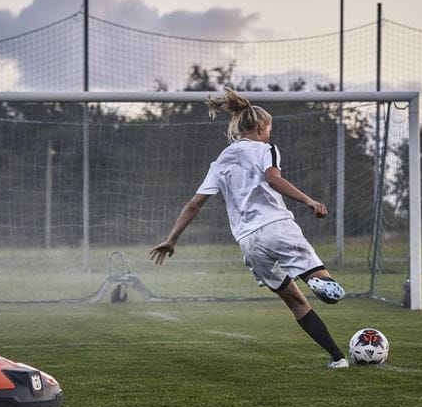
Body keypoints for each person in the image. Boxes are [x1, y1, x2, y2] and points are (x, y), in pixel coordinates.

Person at [149, 88, 349, 369]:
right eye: (269, 129)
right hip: (277, 227)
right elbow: (272, 178)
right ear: (261, 126)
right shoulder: (266, 149)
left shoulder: (220, 161)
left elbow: (194, 204)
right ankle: (320, 281)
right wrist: (308, 200)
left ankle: (338, 358)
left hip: (248, 242)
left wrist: (171, 239)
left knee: (296, 304)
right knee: (328, 289)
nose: (269, 134)